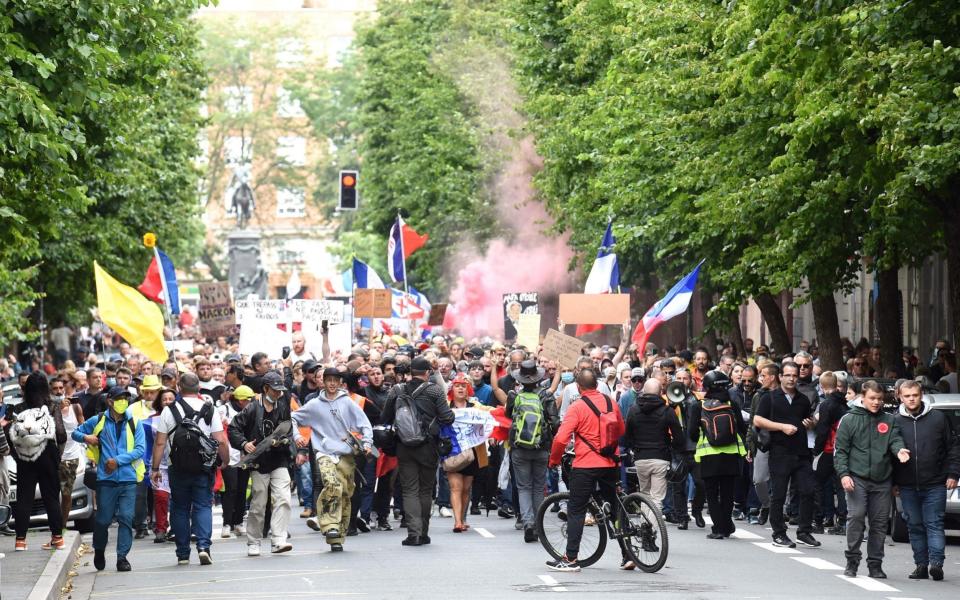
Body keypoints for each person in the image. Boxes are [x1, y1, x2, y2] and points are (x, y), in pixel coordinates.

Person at [546, 368, 629, 572]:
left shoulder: (577, 407)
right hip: (610, 463)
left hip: (585, 464)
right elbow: (621, 430)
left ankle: (571, 559)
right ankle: (628, 554)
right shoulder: (611, 402)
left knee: (576, 509)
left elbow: (561, 438)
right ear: (596, 384)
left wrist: (554, 460)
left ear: (578, 386)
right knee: (615, 507)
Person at [150, 373, 230, 566]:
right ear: (198, 389)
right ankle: (203, 547)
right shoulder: (210, 409)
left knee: (179, 508)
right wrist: (225, 461)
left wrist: (154, 468)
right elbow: (220, 440)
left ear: (179, 387)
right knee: (203, 505)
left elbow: (160, 442)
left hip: (177, 466)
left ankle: (183, 553)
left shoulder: (169, 410)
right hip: (204, 466)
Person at [834, 380, 911, 578]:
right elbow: (840, 451)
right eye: (872, 398)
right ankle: (852, 560)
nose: (876, 402)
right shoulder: (849, 419)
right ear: (862, 397)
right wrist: (844, 475)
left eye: (879, 399)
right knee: (857, 517)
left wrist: (899, 450)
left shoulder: (889, 419)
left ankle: (875, 564)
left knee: (879, 524)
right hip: (856, 477)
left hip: (882, 479)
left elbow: (895, 439)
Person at [293, 368, 373, 552]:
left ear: (340, 382)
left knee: (345, 493)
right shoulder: (314, 404)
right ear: (323, 382)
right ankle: (329, 525)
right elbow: (293, 418)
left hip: (346, 453)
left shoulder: (348, 402)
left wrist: (367, 442)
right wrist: (297, 436)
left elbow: (364, 424)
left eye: (335, 380)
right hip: (324, 452)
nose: (331, 383)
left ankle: (338, 536)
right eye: (328, 379)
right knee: (331, 484)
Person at [381, 357, 454, 547]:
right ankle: (423, 533)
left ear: (410, 372)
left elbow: (385, 416)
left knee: (409, 489)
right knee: (426, 490)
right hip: (428, 446)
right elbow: (447, 418)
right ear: (427, 372)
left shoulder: (397, 390)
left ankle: (413, 533)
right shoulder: (434, 390)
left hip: (404, 445)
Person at [893, 380, 960, 581]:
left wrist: (953, 474)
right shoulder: (895, 421)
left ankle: (936, 564)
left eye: (915, 394)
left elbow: (953, 447)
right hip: (907, 484)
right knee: (914, 525)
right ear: (900, 397)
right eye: (907, 396)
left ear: (921, 394)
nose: (912, 399)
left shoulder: (938, 418)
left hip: (935, 483)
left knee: (934, 523)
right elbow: (889, 453)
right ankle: (920, 564)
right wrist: (893, 482)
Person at [73, 386, 145, 571]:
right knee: (103, 520)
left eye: (126, 399)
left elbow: (140, 449)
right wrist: (88, 438)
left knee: (126, 518)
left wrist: (118, 461)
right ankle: (99, 549)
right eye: (120, 398)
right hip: (106, 479)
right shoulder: (98, 420)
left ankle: (122, 558)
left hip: (128, 479)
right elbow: (75, 433)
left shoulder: (135, 423)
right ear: (110, 401)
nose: (124, 402)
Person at [491, 360, 561, 543]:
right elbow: (555, 422)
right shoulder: (546, 396)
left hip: (519, 447)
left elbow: (508, 416)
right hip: (541, 447)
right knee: (538, 487)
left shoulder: (515, 395)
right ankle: (538, 525)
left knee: (523, 487)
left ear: (520, 379)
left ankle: (528, 522)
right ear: (538, 378)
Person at [753, 362, 820, 549]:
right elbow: (757, 420)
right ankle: (779, 533)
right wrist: (781, 427)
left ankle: (804, 532)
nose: (791, 379)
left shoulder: (803, 400)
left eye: (794, 375)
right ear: (780, 376)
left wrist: (810, 424)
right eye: (788, 375)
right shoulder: (770, 398)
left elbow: (807, 421)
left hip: (801, 452)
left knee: (808, 490)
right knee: (779, 494)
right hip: (779, 452)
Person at [230, 374, 294, 556]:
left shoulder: (282, 406)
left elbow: (289, 430)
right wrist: (244, 444)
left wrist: (286, 443)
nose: (278, 393)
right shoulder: (251, 408)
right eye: (275, 389)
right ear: (265, 388)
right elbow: (233, 428)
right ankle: (254, 540)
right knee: (259, 502)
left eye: (281, 390)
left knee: (284, 498)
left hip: (279, 459)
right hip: (258, 461)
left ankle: (279, 539)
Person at [6, 372, 66, 551]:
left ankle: (20, 540)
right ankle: (57, 538)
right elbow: (61, 434)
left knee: (24, 498)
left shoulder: (19, 408)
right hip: (48, 456)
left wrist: (18, 455)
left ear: (26, 389)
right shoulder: (53, 407)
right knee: (51, 498)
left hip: (26, 458)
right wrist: (57, 455)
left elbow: (11, 436)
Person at [688, 371, 747, 539]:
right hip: (731, 455)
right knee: (728, 493)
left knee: (712, 494)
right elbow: (742, 428)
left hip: (709, 455)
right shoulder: (731, 404)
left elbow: (692, 433)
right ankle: (727, 526)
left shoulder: (699, 405)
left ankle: (719, 528)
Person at [625, 379, 684, 506]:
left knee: (644, 495)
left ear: (644, 391)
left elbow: (627, 436)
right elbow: (679, 438)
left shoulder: (633, 410)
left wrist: (634, 447)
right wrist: (671, 447)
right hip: (661, 457)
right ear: (660, 392)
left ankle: (645, 524)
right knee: (656, 498)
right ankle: (653, 526)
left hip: (641, 457)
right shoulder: (667, 411)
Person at [445, 373, 484, 533]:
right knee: (456, 487)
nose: (460, 388)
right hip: (452, 450)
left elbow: (486, 420)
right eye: (457, 385)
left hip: (472, 452)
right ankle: (457, 521)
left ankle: (463, 517)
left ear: (468, 389)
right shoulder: (445, 407)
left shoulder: (475, 407)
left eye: (463, 385)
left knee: (466, 488)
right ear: (452, 389)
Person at [218, 385, 254, 539]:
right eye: (248, 400)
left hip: (245, 456)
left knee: (242, 490)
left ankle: (238, 522)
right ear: (240, 401)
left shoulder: (251, 411)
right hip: (229, 456)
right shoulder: (223, 411)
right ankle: (227, 523)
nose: (251, 402)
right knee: (230, 490)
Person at [53, 378, 85, 531]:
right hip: (53, 458)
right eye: (55, 388)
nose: (59, 391)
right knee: (52, 494)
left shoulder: (75, 407)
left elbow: (83, 427)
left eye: (61, 388)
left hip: (71, 456)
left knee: (66, 494)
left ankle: (63, 525)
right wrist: (57, 410)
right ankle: (55, 525)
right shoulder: (49, 408)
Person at [149, 388, 176, 543]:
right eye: (164, 399)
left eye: (170, 399)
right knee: (161, 497)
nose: (167, 402)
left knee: (178, 498)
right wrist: (153, 466)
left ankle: (177, 528)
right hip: (159, 465)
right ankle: (160, 528)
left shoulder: (183, 416)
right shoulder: (151, 420)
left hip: (178, 464)